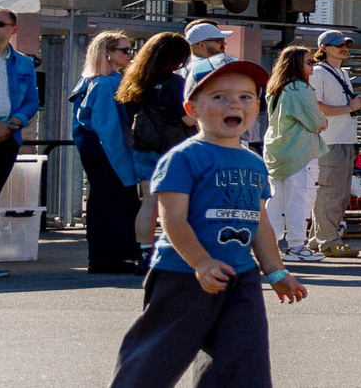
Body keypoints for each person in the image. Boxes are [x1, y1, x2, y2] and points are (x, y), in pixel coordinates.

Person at [107, 59, 306, 388]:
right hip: (183, 274)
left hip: (240, 277)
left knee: (242, 361)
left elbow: (260, 224)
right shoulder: (183, 158)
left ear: (257, 107)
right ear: (191, 108)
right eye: (219, 97)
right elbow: (172, 218)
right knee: (156, 357)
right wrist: (200, 262)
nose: (234, 104)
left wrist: (276, 272)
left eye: (245, 97)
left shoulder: (254, 163)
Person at [71, 29, 147, 274]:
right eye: (125, 50)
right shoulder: (107, 82)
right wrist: (124, 158)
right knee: (113, 201)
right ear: (107, 54)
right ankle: (111, 256)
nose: (130, 54)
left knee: (103, 200)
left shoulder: (92, 80)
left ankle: (107, 255)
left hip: (95, 148)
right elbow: (108, 127)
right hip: (108, 150)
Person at [117, 31, 193, 255]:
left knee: (148, 202)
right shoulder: (175, 83)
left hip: (143, 147)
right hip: (173, 150)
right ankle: (175, 250)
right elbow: (187, 117)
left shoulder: (134, 80)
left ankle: (144, 252)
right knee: (176, 203)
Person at [0, 4, 41, 280]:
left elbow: (32, 101)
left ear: (13, 29)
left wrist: (13, 123)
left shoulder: (24, 62)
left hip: (6, 139)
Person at [305, 30, 361, 258]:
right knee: (330, 192)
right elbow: (316, 106)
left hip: (344, 139)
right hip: (329, 141)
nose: (344, 47)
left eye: (346, 44)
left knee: (339, 194)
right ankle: (329, 241)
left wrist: (353, 106)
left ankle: (317, 239)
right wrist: (350, 108)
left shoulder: (340, 72)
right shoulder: (319, 72)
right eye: (338, 44)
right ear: (323, 48)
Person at [261, 45, 325, 264]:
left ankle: (267, 245)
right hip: (299, 151)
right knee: (300, 199)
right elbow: (316, 122)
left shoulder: (276, 88)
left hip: (276, 150)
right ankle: (297, 245)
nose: (313, 66)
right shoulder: (300, 88)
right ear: (297, 64)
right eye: (309, 62)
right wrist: (323, 122)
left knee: (276, 200)